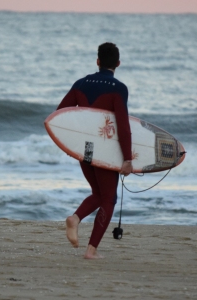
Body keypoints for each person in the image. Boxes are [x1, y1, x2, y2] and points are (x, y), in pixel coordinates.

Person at [57, 42, 133, 259]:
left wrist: (69, 145)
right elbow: (123, 126)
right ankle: (91, 250)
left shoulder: (80, 84)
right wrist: (127, 158)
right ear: (118, 63)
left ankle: (75, 219)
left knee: (99, 194)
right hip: (105, 150)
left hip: (86, 150)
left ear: (97, 61)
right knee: (108, 199)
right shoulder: (119, 88)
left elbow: (60, 116)